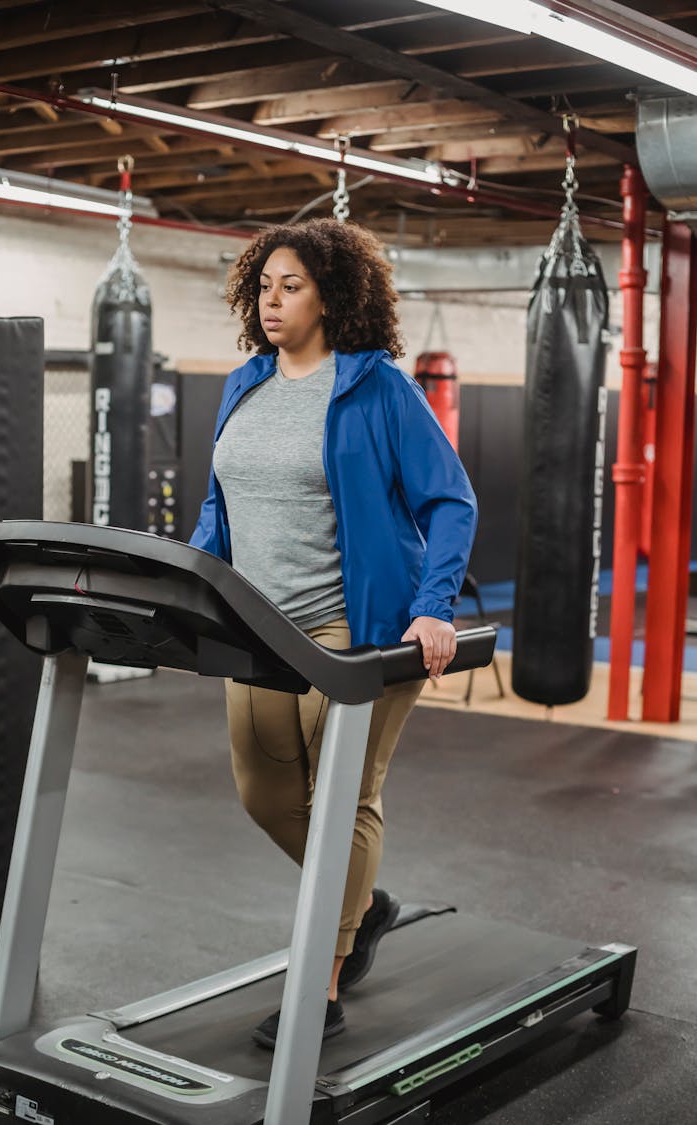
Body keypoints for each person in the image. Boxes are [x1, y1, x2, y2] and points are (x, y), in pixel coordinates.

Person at [190, 218, 477, 1048]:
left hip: (356, 630)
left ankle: (321, 981)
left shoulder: (379, 388)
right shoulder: (244, 384)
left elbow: (450, 500)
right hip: (260, 630)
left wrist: (434, 605)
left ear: (331, 298)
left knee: (340, 803)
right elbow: (221, 507)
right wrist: (187, 588)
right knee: (265, 794)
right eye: (264, 287)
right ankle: (366, 903)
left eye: (292, 287)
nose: (272, 301)